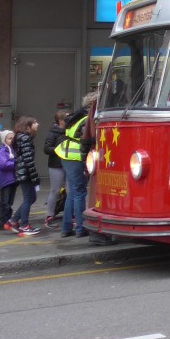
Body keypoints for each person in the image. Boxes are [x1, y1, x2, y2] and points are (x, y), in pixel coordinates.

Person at [56, 91, 96, 239]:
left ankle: (66, 228)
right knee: (80, 192)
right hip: (76, 156)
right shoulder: (87, 119)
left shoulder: (77, 116)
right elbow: (87, 140)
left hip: (66, 155)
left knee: (73, 192)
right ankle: (81, 228)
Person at [10, 116, 42, 236]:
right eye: (34, 123)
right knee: (29, 198)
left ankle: (13, 221)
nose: (37, 124)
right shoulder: (24, 138)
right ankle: (24, 225)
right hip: (25, 174)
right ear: (27, 126)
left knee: (31, 198)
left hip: (23, 173)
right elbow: (28, 160)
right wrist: (35, 177)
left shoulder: (23, 137)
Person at [42, 110, 68, 229]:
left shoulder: (70, 131)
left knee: (70, 191)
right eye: (67, 119)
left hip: (68, 163)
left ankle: (70, 215)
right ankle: (49, 216)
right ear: (61, 121)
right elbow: (47, 148)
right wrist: (59, 150)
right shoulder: (53, 133)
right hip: (56, 165)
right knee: (55, 190)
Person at [0, 130, 17, 231]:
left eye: (13, 138)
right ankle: (3, 222)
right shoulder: (1, 151)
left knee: (10, 202)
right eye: (9, 138)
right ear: (4, 140)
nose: (12, 140)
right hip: (6, 180)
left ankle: (8, 220)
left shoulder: (13, 150)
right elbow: (4, 164)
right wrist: (16, 163)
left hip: (13, 180)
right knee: (5, 202)